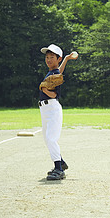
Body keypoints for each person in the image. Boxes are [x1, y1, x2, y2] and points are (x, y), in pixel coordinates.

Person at [39, 44, 76, 180]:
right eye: (47, 57)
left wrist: (43, 89)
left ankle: (59, 170)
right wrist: (66, 59)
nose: (48, 59)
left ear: (57, 59)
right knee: (47, 139)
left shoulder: (55, 74)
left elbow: (54, 95)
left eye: (52, 57)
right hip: (45, 109)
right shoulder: (53, 72)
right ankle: (61, 162)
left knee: (51, 138)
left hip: (52, 108)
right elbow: (59, 71)